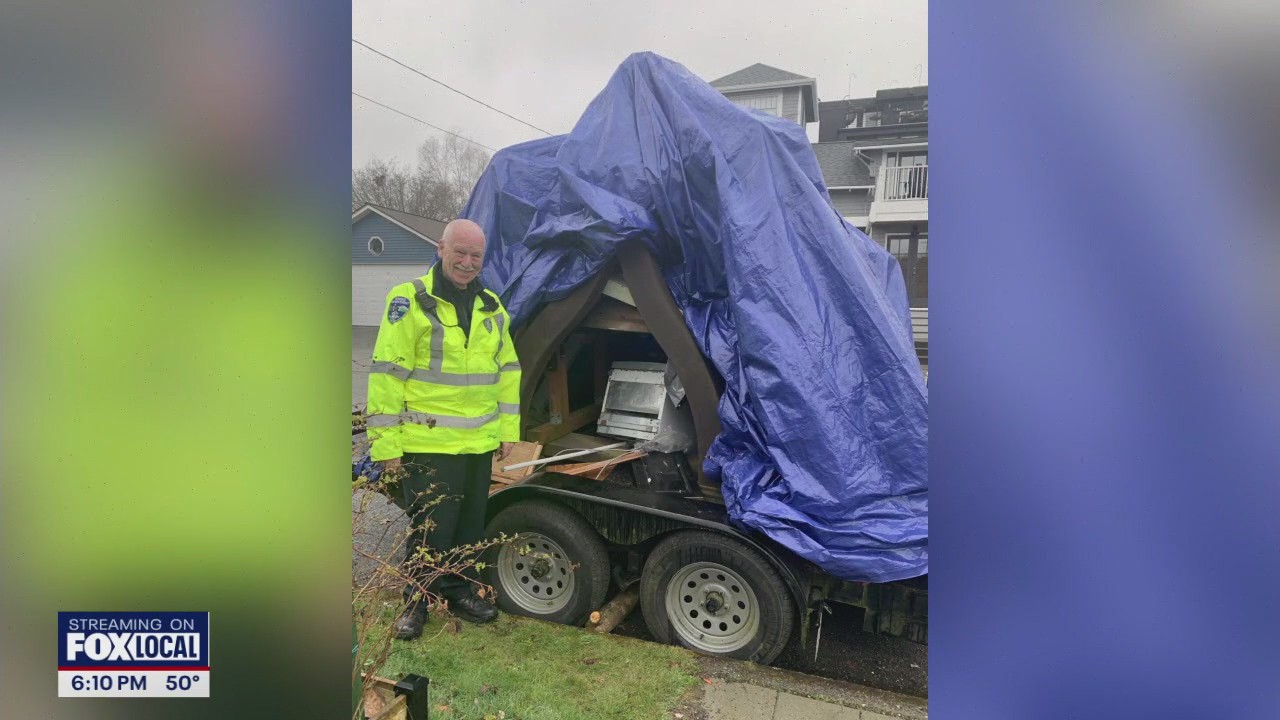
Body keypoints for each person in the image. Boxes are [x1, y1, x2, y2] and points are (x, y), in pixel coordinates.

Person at [365, 219, 521, 639]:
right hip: (428, 442)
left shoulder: (492, 306)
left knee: (470, 527)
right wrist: (385, 445)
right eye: (460, 252)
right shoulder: (409, 301)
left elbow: (507, 372)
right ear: (441, 248)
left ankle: (458, 591)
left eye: (476, 256)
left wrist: (508, 432)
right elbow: (387, 374)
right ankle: (415, 603)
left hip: (478, 443)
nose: (467, 263)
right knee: (432, 528)